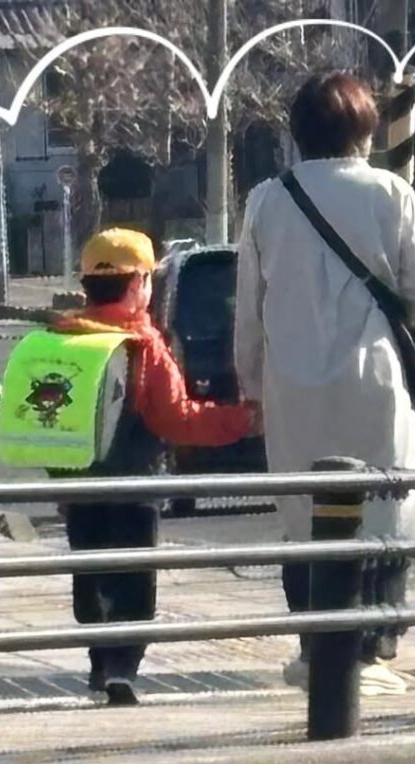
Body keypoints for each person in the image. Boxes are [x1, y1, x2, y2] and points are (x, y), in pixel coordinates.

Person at [233, 71, 415, 694]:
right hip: (371, 378)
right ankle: (373, 649)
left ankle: (315, 646)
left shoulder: (268, 200)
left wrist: (252, 385)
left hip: (293, 385)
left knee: (306, 516)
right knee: (386, 509)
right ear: (363, 129)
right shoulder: (389, 192)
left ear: (298, 133)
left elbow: (249, 308)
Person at [48, 228, 260, 705]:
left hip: (78, 487)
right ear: (138, 284)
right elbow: (177, 419)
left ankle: (99, 664)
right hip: (135, 487)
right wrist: (242, 421)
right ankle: (123, 668)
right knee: (135, 585)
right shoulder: (144, 347)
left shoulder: (64, 339)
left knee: (91, 576)